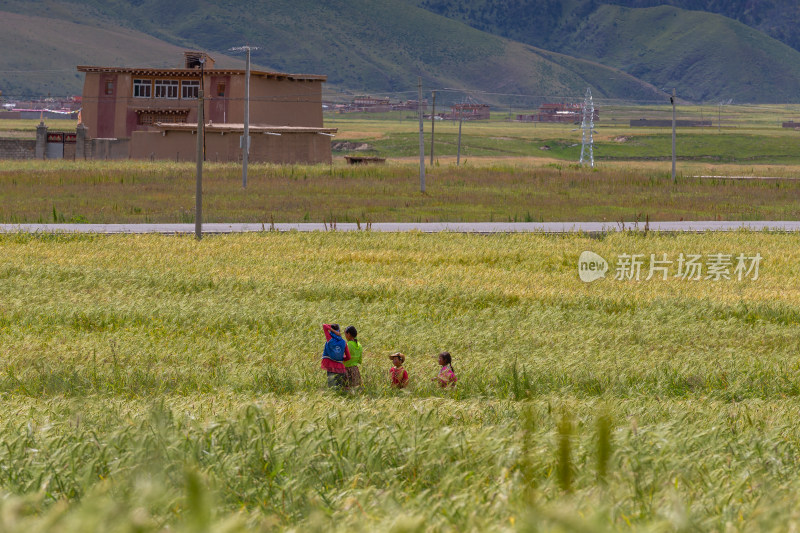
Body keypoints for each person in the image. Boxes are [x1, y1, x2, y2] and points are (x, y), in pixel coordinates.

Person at [321, 323, 350, 389]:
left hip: (330, 366)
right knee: (339, 388)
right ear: (339, 330)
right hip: (340, 367)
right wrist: (341, 359)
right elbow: (348, 357)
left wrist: (333, 330)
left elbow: (324, 325)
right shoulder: (343, 342)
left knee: (331, 388)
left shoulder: (329, 339)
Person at [344, 325, 362, 391]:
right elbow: (360, 360)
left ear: (348, 334)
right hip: (355, 370)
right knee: (355, 389)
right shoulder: (359, 345)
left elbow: (343, 356)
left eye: (345, 334)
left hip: (347, 370)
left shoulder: (348, 345)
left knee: (346, 390)